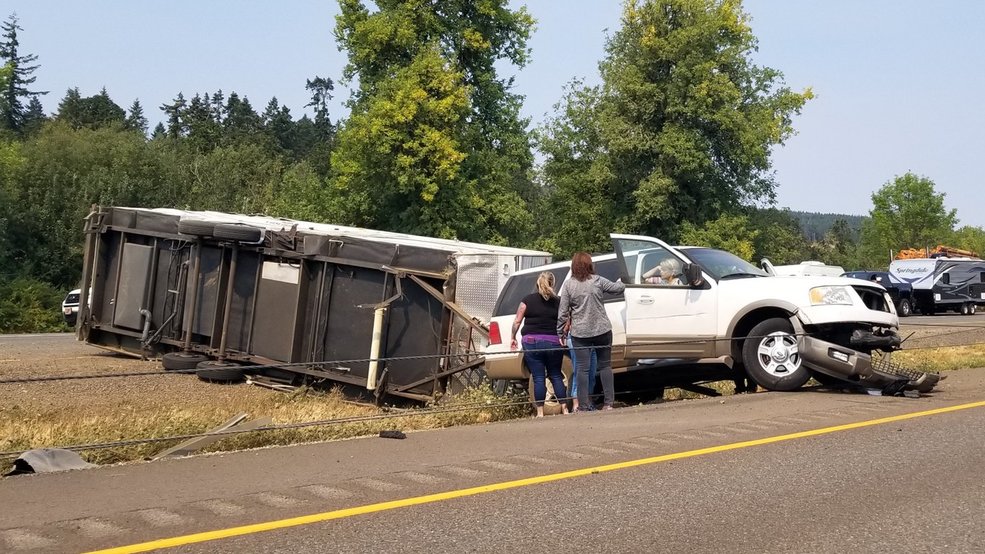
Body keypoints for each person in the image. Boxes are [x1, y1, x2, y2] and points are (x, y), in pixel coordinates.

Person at [557, 252, 626, 412]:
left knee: (582, 369)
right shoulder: (597, 280)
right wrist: (624, 278)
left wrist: (560, 332)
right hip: (602, 329)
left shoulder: (568, 285)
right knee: (605, 367)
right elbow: (618, 289)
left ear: (573, 266)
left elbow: (562, 312)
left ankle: (583, 405)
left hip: (580, 333)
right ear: (590, 265)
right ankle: (609, 403)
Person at [511, 272, 569, 417]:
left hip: (532, 342)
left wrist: (513, 337)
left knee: (538, 377)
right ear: (553, 284)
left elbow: (517, 321)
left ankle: (540, 412)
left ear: (537, 283)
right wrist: (563, 335)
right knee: (555, 375)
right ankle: (565, 409)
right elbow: (568, 320)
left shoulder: (527, 300)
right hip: (554, 342)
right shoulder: (559, 301)